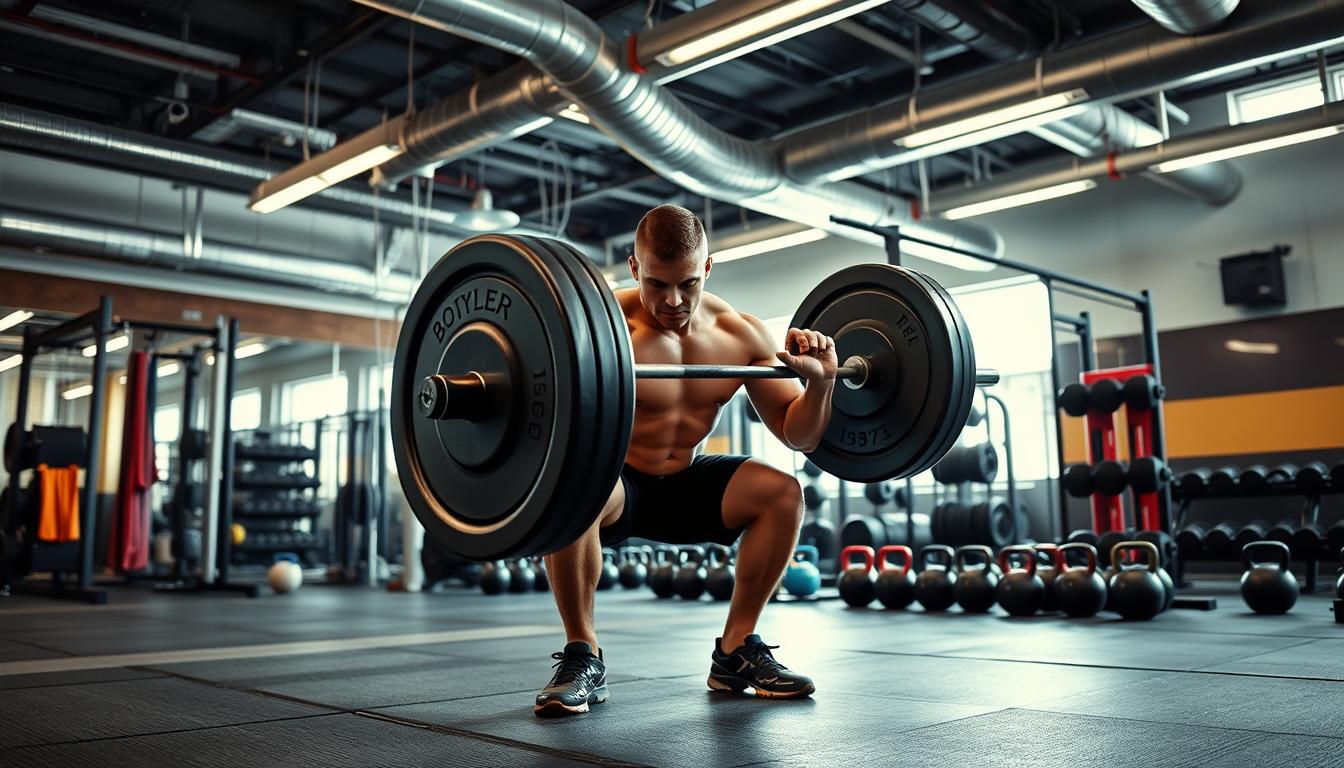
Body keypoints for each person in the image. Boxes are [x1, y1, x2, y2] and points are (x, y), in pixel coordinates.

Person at [535, 205, 838, 717]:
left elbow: (796, 433)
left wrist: (823, 383)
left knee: (783, 494)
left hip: (684, 480)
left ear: (708, 270)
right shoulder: (599, 328)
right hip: (617, 485)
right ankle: (582, 654)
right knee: (576, 488)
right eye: (656, 284)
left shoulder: (740, 334)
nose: (673, 301)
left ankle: (736, 651)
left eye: (688, 284)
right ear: (634, 269)